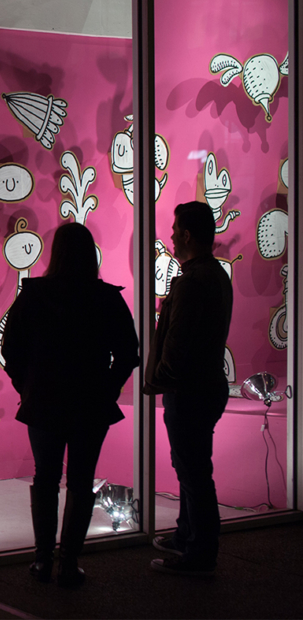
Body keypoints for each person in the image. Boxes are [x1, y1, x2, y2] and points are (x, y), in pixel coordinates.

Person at [2, 223, 139, 588]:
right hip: (90, 402)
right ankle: (69, 562)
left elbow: (10, 347)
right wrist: (107, 389)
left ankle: (42, 559)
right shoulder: (106, 297)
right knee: (81, 481)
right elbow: (128, 352)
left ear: (56, 252)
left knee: (45, 478)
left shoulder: (34, 294)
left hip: (44, 401)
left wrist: (26, 385)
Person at [145, 201, 234, 576]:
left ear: (185, 235)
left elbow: (177, 342)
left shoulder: (193, 282)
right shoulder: (215, 276)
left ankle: (199, 552)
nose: (169, 236)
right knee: (192, 468)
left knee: (194, 472)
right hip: (205, 386)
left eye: (173, 229)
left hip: (189, 390)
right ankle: (187, 536)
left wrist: (157, 379)